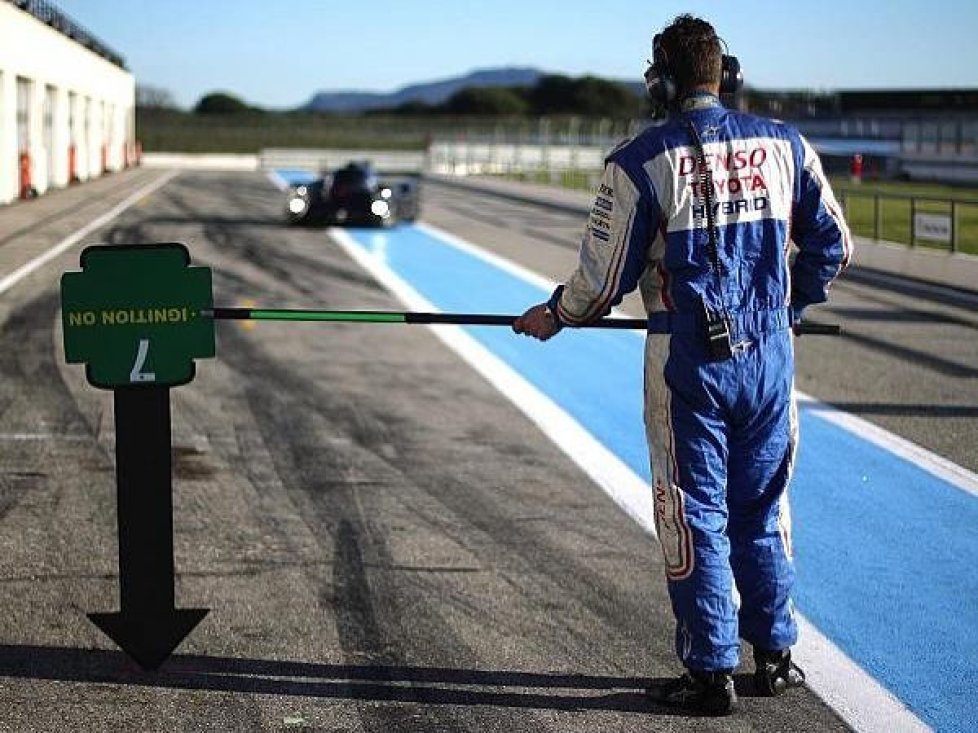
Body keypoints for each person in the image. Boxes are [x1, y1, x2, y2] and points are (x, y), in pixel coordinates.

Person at [513, 13, 851, 717]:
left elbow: (601, 283)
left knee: (691, 511)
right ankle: (776, 655)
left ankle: (710, 672)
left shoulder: (640, 158)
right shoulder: (785, 143)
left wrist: (555, 312)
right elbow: (834, 245)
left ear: (664, 78)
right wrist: (792, 303)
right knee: (761, 509)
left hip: (688, 361)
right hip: (770, 358)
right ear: (725, 74)